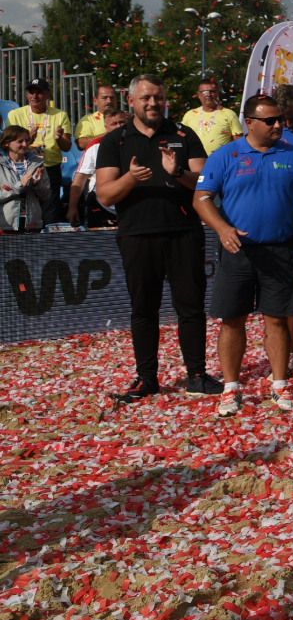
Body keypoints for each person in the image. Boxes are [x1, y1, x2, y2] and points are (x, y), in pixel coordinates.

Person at [194, 93, 293, 417]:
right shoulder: (226, 155)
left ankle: (280, 385)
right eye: (270, 120)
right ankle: (231, 387)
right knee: (233, 319)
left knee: (278, 319)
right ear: (249, 122)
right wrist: (223, 229)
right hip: (239, 250)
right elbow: (202, 198)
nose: (278, 124)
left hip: (281, 248)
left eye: (279, 118)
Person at [96, 74, 216, 401]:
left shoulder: (183, 134)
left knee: (190, 307)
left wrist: (178, 172)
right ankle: (147, 378)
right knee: (143, 309)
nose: (152, 103)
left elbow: (205, 182)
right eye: (146, 98)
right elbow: (106, 194)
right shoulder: (115, 141)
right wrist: (131, 179)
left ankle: (197, 374)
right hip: (137, 235)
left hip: (183, 234)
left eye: (158, 97)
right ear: (132, 102)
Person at [7, 78, 72, 222]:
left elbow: (67, 147)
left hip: (50, 168)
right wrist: (28, 138)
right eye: (31, 92)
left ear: (48, 94)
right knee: (25, 209)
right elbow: (10, 145)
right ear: (26, 95)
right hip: (24, 168)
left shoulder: (60, 115)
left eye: (39, 93)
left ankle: (48, 240)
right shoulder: (15, 115)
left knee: (51, 210)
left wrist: (59, 138)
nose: (35, 96)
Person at [67, 109, 129, 227]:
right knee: (99, 243)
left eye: (122, 123)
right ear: (106, 127)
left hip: (129, 206)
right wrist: (72, 208)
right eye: (114, 124)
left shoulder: (136, 142)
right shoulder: (95, 146)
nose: (118, 126)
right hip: (100, 204)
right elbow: (80, 179)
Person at [0, 126, 51, 232]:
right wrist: (20, 186)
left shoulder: (37, 163)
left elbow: (46, 196)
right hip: (6, 224)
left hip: (32, 223)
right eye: (20, 141)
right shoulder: (1, 164)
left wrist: (37, 185)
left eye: (27, 140)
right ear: (6, 143)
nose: (25, 144)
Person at [180, 79, 243, 155]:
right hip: (195, 163)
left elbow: (239, 143)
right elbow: (182, 138)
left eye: (212, 91)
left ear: (217, 94)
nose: (208, 95)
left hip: (221, 163)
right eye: (204, 92)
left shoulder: (229, 114)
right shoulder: (189, 115)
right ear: (199, 95)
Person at [75, 83, 122, 150]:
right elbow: (81, 144)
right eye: (104, 98)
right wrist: (109, 134)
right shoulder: (88, 120)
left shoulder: (126, 118)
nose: (109, 101)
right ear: (95, 101)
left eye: (112, 97)